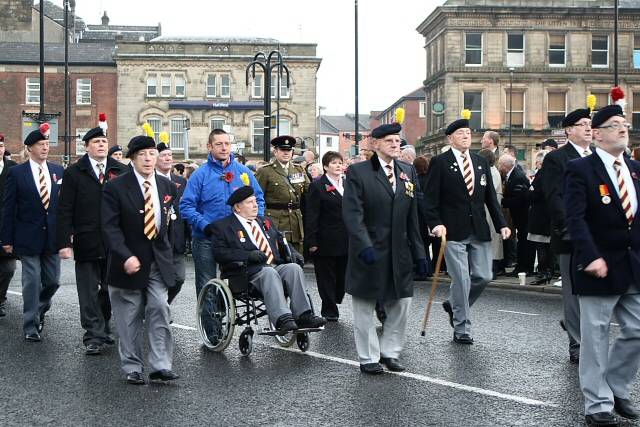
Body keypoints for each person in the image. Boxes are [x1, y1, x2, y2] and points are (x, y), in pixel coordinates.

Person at [564, 99, 640, 426]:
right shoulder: (580, 169)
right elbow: (575, 218)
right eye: (614, 126)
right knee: (594, 339)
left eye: (625, 124)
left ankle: (615, 386)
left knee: (637, 330)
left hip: (632, 263)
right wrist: (590, 255)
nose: (623, 128)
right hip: (598, 265)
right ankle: (597, 405)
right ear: (596, 135)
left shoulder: (635, 169)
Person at [343, 121, 427, 375]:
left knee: (401, 303)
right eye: (389, 141)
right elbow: (352, 214)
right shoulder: (359, 172)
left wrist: (420, 253)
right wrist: (364, 245)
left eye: (398, 140)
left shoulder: (407, 171)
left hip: (399, 251)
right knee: (365, 306)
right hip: (368, 250)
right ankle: (368, 356)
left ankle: (390, 351)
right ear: (375, 144)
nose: (395, 144)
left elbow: (413, 216)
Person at [424, 112, 509, 345]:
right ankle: (462, 327)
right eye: (460, 133)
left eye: (468, 133)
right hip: (452, 231)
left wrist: (502, 224)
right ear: (450, 138)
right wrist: (435, 224)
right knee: (461, 279)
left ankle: (453, 305)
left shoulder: (480, 162)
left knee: (483, 276)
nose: (465, 136)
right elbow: (429, 200)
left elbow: (490, 198)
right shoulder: (440, 163)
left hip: (478, 229)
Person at [101, 134, 178, 385]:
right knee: (129, 316)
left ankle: (160, 366)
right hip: (128, 261)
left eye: (152, 154)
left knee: (159, 308)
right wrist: (125, 255)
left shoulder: (167, 187)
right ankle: (132, 366)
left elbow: (167, 222)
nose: (148, 159)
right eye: (142, 154)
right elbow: (110, 227)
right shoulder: (115, 187)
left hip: (157, 259)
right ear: (132, 158)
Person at [210, 186, 326, 331]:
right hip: (246, 273)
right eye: (250, 202)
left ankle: (303, 315)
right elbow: (219, 253)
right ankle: (282, 318)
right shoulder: (223, 226)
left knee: (293, 268)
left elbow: (282, 241)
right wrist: (247, 255)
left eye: (255, 201)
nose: (255, 205)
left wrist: (294, 253)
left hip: (273, 266)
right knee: (268, 272)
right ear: (238, 207)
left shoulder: (264, 221)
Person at [56, 126, 125, 354]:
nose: (101, 145)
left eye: (104, 141)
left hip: (114, 241)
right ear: (87, 147)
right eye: (96, 141)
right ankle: (92, 335)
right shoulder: (75, 172)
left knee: (108, 289)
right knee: (87, 291)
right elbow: (64, 209)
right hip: (86, 239)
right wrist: (64, 242)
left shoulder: (121, 170)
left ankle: (103, 326)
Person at [180, 128, 264, 303]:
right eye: (219, 144)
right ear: (209, 146)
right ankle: (212, 329)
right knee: (208, 285)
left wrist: (257, 219)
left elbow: (259, 198)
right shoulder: (200, 175)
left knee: (243, 281)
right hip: (206, 238)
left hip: (237, 238)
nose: (224, 148)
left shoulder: (244, 172)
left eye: (227, 144)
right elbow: (186, 206)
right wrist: (205, 225)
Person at [1, 124, 64, 341]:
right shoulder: (17, 173)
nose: (45, 148)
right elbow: (8, 208)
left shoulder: (58, 172)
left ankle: (38, 311)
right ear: (29, 148)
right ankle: (30, 325)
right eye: (40, 144)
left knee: (53, 281)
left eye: (47, 144)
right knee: (31, 281)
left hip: (53, 237)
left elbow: (64, 207)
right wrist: (6, 239)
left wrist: (67, 235)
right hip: (27, 236)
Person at [540, 106, 593, 364]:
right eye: (582, 124)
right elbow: (554, 197)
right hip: (571, 235)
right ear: (569, 130)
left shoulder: (598, 156)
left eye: (590, 124)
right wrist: (572, 226)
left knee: (596, 292)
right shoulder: (557, 159)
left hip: (598, 236)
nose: (588, 128)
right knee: (573, 293)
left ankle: (578, 328)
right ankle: (578, 344)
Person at [305, 151, 348, 321]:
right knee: (326, 277)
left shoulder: (348, 184)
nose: (338, 166)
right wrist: (312, 241)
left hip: (346, 239)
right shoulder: (317, 186)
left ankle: (335, 298)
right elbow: (312, 215)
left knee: (343, 277)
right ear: (325, 167)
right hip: (325, 240)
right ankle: (329, 310)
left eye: (340, 163)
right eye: (334, 163)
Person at [256, 136, 309, 253]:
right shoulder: (265, 171)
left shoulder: (299, 170)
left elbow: (308, 192)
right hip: (275, 220)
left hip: (295, 220)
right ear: (275, 152)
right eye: (282, 150)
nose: (286, 153)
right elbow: (257, 197)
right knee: (277, 255)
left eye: (289, 150)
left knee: (296, 256)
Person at [155, 141, 187, 305]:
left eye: (170, 155)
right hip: (158, 238)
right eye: (164, 155)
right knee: (157, 278)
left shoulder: (181, 182)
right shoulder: (151, 180)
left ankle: (163, 305)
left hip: (177, 238)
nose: (168, 158)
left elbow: (186, 209)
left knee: (179, 278)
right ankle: (157, 308)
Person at [497, 154, 532, 276]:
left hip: (523, 216)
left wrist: (502, 201)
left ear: (505, 165)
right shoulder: (511, 175)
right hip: (519, 217)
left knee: (523, 242)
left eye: (500, 164)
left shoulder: (517, 177)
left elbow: (519, 199)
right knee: (521, 241)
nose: (499, 167)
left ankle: (523, 268)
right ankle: (521, 267)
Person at [527, 150, 555, 285]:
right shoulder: (552, 174)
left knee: (541, 247)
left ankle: (543, 273)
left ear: (539, 163)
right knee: (548, 247)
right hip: (548, 215)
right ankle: (548, 271)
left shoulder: (541, 175)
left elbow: (534, 193)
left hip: (540, 216)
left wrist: (528, 191)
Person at [478, 149, 504, 278]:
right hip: (489, 208)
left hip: (490, 209)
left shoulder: (492, 173)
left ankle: (492, 269)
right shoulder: (492, 171)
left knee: (492, 239)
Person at [0, 134, 18, 317]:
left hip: (7, 227)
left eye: (1, 145)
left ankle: (0, 299)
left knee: (8, 268)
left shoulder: (13, 168)